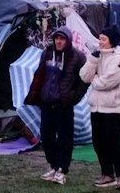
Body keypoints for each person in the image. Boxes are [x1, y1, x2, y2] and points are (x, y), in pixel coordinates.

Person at [30, 29, 87, 184]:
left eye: (62, 39)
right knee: (46, 137)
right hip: (47, 103)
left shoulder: (77, 56)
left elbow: (84, 80)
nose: (59, 42)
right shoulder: (47, 53)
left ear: (68, 40)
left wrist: (73, 98)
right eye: (56, 38)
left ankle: (62, 169)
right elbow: (40, 74)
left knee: (64, 139)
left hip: (64, 105)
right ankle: (54, 166)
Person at [80, 30, 120, 189]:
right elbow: (83, 76)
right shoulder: (97, 57)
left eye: (103, 39)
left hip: (113, 108)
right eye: (99, 39)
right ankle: (107, 173)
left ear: (111, 41)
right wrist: (92, 61)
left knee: (114, 142)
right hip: (96, 107)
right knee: (98, 142)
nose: (100, 42)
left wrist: (94, 80)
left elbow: (106, 82)